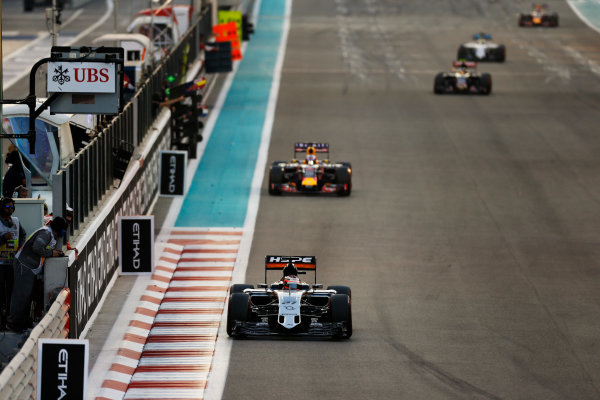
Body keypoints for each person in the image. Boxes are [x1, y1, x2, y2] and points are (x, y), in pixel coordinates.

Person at [7, 217, 66, 332]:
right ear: (61, 230)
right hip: (25, 266)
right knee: (21, 296)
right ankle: (14, 323)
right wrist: (51, 253)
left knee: (27, 295)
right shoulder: (46, 234)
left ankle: (22, 321)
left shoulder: (48, 233)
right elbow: (37, 247)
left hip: (28, 267)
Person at [0, 197, 26, 330]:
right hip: (0, 264)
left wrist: (19, 250)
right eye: (7, 207)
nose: (10, 210)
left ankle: (9, 320)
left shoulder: (16, 221)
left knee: (11, 292)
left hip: (12, 264)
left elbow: (23, 235)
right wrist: (2, 239)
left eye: (12, 207)